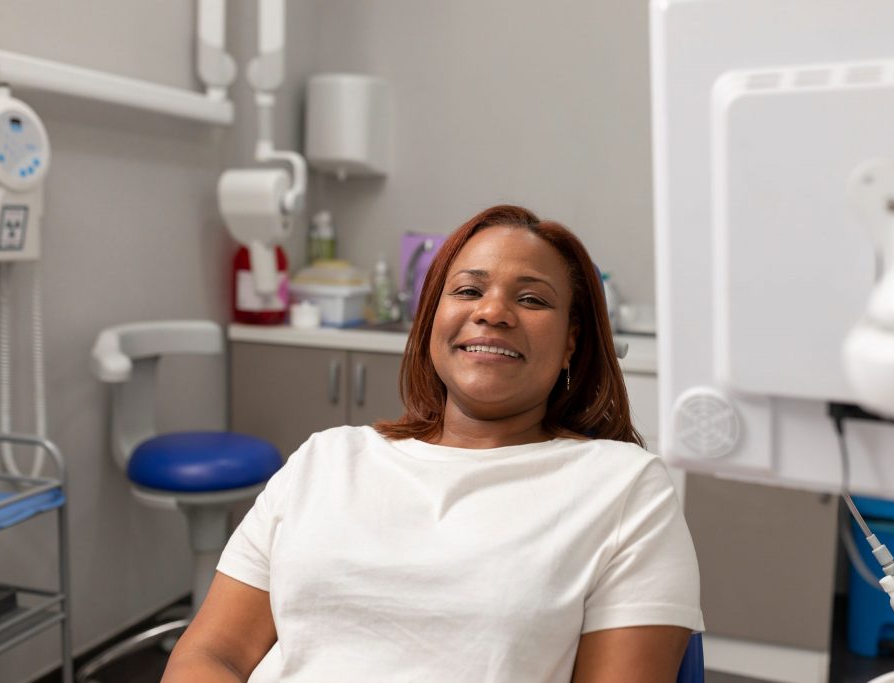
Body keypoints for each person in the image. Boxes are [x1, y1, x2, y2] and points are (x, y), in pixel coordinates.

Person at [162, 205, 703, 682]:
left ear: (571, 344)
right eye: (467, 290)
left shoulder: (624, 489)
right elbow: (211, 657)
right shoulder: (325, 460)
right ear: (430, 323)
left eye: (532, 299)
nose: (492, 312)